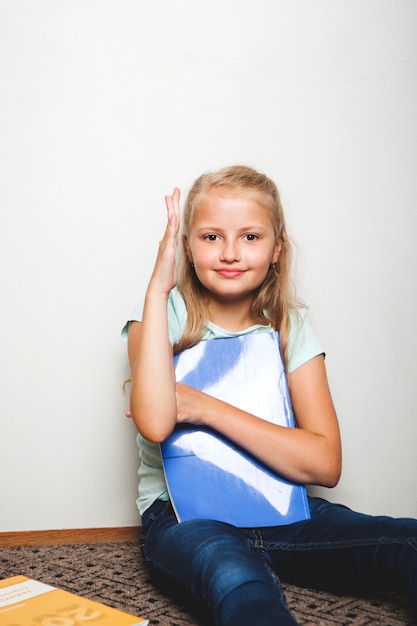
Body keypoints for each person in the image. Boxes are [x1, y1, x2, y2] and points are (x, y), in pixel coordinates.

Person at [123, 165, 417, 626]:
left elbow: (325, 463)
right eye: (211, 237)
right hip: (186, 518)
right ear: (186, 247)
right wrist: (158, 288)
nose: (231, 253)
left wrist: (203, 406)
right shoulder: (162, 317)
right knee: (239, 581)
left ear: (277, 248)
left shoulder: (290, 327)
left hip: (282, 506)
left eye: (251, 237)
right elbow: (158, 422)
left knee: (405, 542)